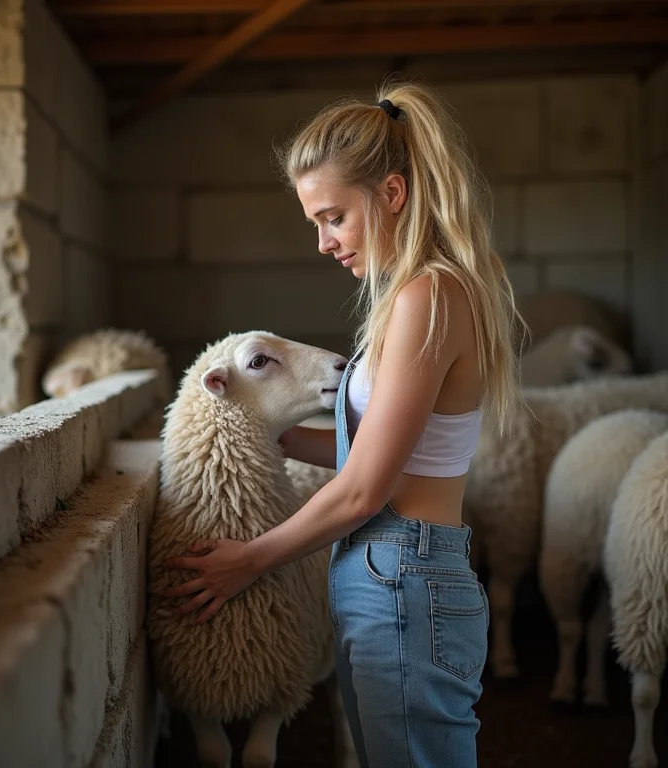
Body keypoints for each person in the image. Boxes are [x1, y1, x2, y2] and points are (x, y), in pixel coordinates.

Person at [163, 82, 524, 768]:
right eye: (314, 223)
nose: (324, 242)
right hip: (387, 574)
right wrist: (252, 434)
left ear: (391, 194)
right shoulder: (413, 296)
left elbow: (366, 488)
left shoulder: (431, 296)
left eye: (333, 217)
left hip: (405, 575)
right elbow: (377, 447)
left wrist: (248, 560)